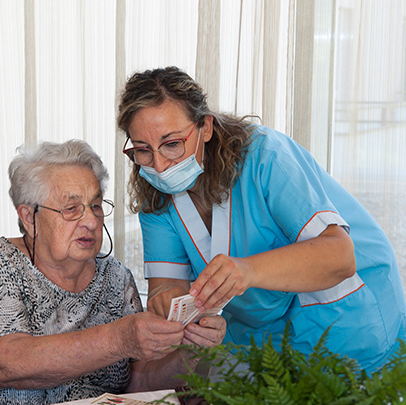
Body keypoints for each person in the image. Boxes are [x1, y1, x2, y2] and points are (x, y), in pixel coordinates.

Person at [116, 66, 406, 372]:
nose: (159, 166)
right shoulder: (156, 194)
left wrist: (246, 271)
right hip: (259, 333)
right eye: (143, 150)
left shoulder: (266, 157)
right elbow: (167, 287)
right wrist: (181, 314)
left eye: (172, 144)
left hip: (346, 313)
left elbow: (341, 256)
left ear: (206, 128)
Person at [0, 139, 226, 405]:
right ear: (29, 218)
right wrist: (121, 338)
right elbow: (5, 364)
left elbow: (137, 386)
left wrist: (188, 349)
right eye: (71, 208)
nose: (91, 221)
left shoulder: (116, 277)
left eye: (95, 205)